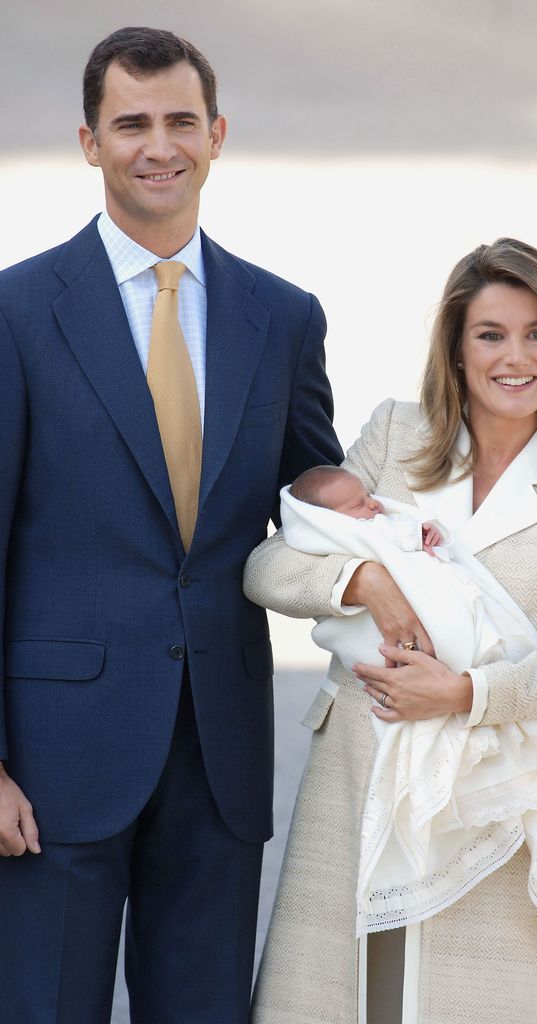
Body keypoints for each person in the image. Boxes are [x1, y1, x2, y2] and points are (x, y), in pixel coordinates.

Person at [0, 25, 342, 1024]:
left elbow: (314, 491)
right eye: (132, 122)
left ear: (217, 132)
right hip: (53, 761)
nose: (160, 145)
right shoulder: (17, 314)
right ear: (89, 140)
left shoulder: (280, 318)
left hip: (217, 755)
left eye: (180, 120)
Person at [244, 237, 537, 1024]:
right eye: (490, 334)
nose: (515, 356)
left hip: (487, 795)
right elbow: (268, 567)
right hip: (360, 773)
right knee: (332, 1002)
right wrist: (368, 581)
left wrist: (463, 692)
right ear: (457, 351)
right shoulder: (397, 433)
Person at [290, 465, 443, 552]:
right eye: (358, 505)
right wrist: (416, 535)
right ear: (329, 519)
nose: (373, 503)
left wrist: (422, 528)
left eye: (369, 495)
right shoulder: (346, 533)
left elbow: (392, 524)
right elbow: (385, 534)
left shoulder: (372, 519)